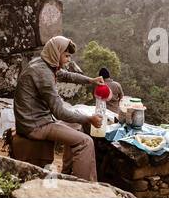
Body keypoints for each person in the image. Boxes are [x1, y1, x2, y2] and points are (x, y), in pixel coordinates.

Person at [14, 36, 104, 181]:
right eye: (67, 56)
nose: (69, 60)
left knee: (76, 124)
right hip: (36, 125)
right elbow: (59, 112)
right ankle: (85, 186)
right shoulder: (43, 74)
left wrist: (90, 80)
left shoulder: (42, 62)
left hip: (34, 119)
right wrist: (89, 119)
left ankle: (67, 172)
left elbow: (66, 75)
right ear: (56, 53)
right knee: (86, 142)